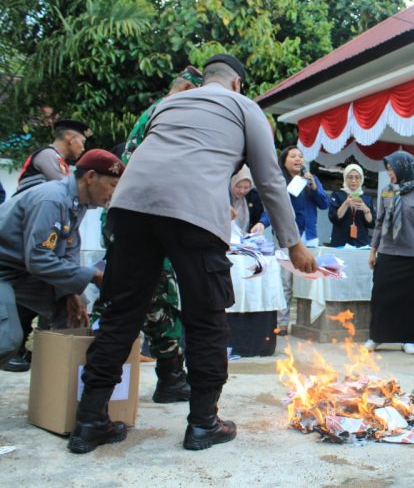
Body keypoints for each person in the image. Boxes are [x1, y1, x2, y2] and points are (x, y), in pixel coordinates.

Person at [68, 54, 317, 454]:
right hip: (192, 218)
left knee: (120, 314)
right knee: (206, 319)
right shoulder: (244, 107)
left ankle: (89, 421)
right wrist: (294, 244)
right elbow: (270, 179)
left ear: (205, 80)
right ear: (237, 83)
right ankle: (203, 423)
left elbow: (156, 158)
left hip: (129, 209)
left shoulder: (166, 105)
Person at [91, 66, 201, 404]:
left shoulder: (153, 116)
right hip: (146, 220)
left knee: (141, 299)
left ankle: (166, 376)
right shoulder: (166, 114)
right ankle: (99, 391)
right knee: (147, 300)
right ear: (183, 87)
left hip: (131, 219)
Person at [0, 150, 123, 367]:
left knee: (72, 314)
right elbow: (38, 258)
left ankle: (56, 390)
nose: (115, 193)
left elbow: (68, 253)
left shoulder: (78, 205)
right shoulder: (52, 199)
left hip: (19, 271)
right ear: (91, 176)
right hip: (6, 270)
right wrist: (93, 276)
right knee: (6, 340)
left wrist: (69, 292)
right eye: (113, 186)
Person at [4, 118, 94, 372]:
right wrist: (89, 276)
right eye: (81, 141)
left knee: (68, 305)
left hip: (36, 248)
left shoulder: (73, 194)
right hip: (19, 245)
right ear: (69, 138)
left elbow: (68, 241)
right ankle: (13, 346)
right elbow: (62, 189)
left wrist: (70, 287)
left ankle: (52, 377)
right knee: (7, 333)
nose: (82, 147)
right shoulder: (49, 160)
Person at [366, 152, 414, 353]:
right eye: (388, 170)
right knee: (381, 295)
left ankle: (408, 338)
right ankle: (376, 337)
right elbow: (380, 222)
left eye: (393, 170)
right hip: (388, 252)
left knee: (411, 299)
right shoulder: (386, 191)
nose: (390, 174)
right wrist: (373, 250)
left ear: (404, 168)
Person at [252, 145, 328, 335]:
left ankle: (310, 325)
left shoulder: (312, 179)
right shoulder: (279, 182)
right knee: (285, 282)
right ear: (284, 161)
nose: (298, 159)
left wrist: (314, 186)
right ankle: (282, 323)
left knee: (310, 280)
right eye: (293, 156)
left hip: (309, 238)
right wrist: (262, 223)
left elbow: (324, 203)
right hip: (286, 238)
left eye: (300, 156)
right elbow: (272, 208)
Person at [14, 119, 91, 196]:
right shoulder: (47, 154)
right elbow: (68, 189)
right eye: (82, 142)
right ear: (71, 139)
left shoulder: (57, 159)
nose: (83, 148)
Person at [328, 163, 375, 247]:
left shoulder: (367, 198)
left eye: (357, 177)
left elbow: (372, 224)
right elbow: (333, 218)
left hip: (361, 243)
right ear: (345, 178)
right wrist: (346, 204)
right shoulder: (338, 195)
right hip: (340, 243)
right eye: (350, 177)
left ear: (361, 179)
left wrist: (366, 210)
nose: (353, 180)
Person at [230, 166, 259, 235]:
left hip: (247, 239)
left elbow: (266, 213)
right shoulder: (223, 195)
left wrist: (262, 223)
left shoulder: (253, 195)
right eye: (238, 186)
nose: (242, 191)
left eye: (246, 187)